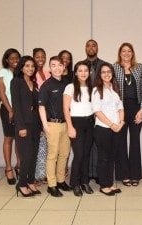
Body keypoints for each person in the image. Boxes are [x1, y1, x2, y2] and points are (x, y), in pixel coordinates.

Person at [113, 43, 142, 187]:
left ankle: (135, 175)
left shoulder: (139, 67)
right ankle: (123, 174)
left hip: (136, 108)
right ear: (120, 53)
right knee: (120, 141)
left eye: (129, 51)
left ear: (132, 53)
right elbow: (110, 88)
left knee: (134, 141)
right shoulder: (114, 67)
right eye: (123, 51)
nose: (126, 53)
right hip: (119, 109)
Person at [38, 56, 71, 197]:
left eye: (59, 65)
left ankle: (61, 180)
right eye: (53, 65)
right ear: (50, 68)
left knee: (64, 154)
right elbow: (41, 107)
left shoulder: (67, 84)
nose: (57, 68)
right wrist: (45, 125)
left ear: (64, 67)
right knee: (52, 156)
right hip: (52, 124)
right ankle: (52, 185)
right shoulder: (46, 85)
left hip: (66, 124)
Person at [11, 56, 42, 197]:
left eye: (32, 66)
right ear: (22, 67)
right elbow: (16, 106)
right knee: (26, 156)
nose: (30, 68)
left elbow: (37, 106)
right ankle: (22, 184)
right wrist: (20, 126)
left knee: (34, 155)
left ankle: (30, 181)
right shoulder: (16, 82)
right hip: (23, 125)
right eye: (27, 65)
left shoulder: (34, 83)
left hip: (35, 124)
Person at [92, 62, 124, 196]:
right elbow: (97, 111)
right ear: (100, 74)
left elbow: (120, 108)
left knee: (111, 157)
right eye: (103, 72)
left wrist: (121, 122)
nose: (106, 74)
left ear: (112, 74)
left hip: (116, 128)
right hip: (103, 129)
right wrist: (112, 125)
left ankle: (109, 184)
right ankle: (104, 185)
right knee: (104, 157)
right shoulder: (96, 90)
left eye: (109, 72)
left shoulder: (114, 89)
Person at [63, 61, 94, 196]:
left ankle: (84, 181)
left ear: (89, 72)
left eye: (85, 70)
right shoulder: (70, 87)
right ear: (75, 73)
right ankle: (74, 183)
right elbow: (65, 108)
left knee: (87, 154)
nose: (83, 73)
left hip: (90, 122)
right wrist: (70, 126)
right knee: (79, 154)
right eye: (80, 70)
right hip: (76, 123)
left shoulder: (92, 87)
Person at [83, 39, 108, 183]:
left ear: (97, 48)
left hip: (101, 110)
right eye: (88, 45)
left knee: (99, 143)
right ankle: (87, 173)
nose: (91, 47)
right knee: (87, 143)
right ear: (85, 48)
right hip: (85, 111)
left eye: (94, 45)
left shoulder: (105, 65)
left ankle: (98, 173)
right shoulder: (80, 66)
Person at [0, 48, 21, 185]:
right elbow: (1, 92)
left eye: (17, 58)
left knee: (19, 139)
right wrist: (10, 110)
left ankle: (19, 166)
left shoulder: (20, 73)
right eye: (11, 58)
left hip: (20, 111)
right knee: (8, 138)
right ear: (7, 60)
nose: (15, 60)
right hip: (7, 110)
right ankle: (8, 168)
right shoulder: (3, 72)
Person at [33, 48, 50, 184]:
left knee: (45, 145)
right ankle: (33, 176)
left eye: (43, 56)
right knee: (35, 144)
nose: (40, 59)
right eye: (37, 56)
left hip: (47, 111)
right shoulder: (30, 73)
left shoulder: (48, 73)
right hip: (34, 112)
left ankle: (42, 173)